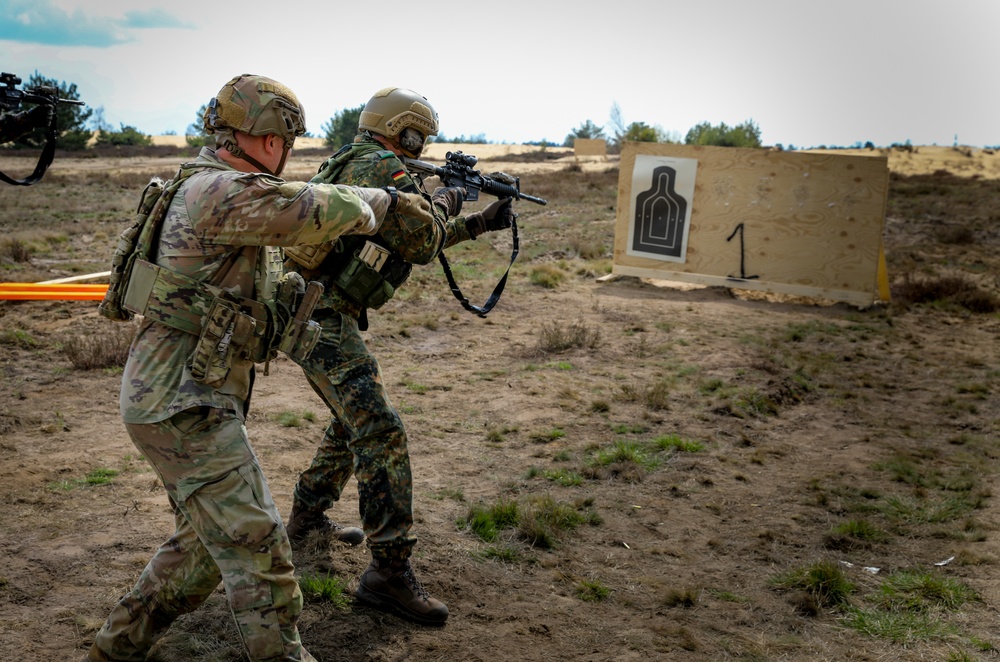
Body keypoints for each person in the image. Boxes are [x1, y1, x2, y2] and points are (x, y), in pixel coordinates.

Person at [82, 74, 434, 662]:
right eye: (289, 140)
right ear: (270, 136)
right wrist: (385, 202)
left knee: (199, 554)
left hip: (178, 400)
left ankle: (112, 650)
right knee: (262, 552)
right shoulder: (221, 192)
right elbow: (308, 208)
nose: (290, 153)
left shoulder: (207, 184)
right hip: (183, 406)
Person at [280, 87, 515, 626]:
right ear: (404, 128)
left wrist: (481, 220)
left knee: (353, 418)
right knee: (380, 429)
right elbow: (424, 235)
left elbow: (411, 237)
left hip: (307, 307)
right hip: (320, 315)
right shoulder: (384, 166)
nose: (424, 142)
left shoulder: (358, 157)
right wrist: (452, 197)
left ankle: (307, 516)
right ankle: (388, 573)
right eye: (419, 133)